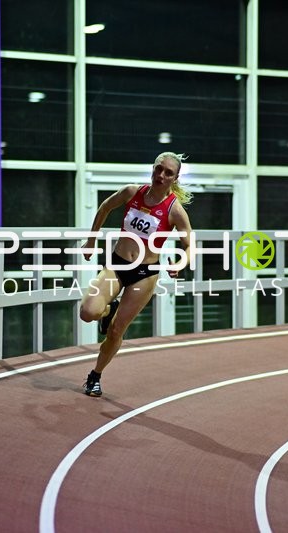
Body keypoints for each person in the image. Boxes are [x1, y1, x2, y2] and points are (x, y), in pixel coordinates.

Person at [79, 152, 194, 397]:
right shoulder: (132, 192)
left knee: (117, 331)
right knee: (88, 312)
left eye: (168, 172)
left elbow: (190, 244)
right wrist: (91, 240)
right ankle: (108, 311)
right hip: (118, 264)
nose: (161, 175)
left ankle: (95, 375)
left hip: (145, 273)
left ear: (175, 178)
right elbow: (105, 207)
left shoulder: (174, 211)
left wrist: (181, 262)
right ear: (153, 169)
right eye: (158, 169)